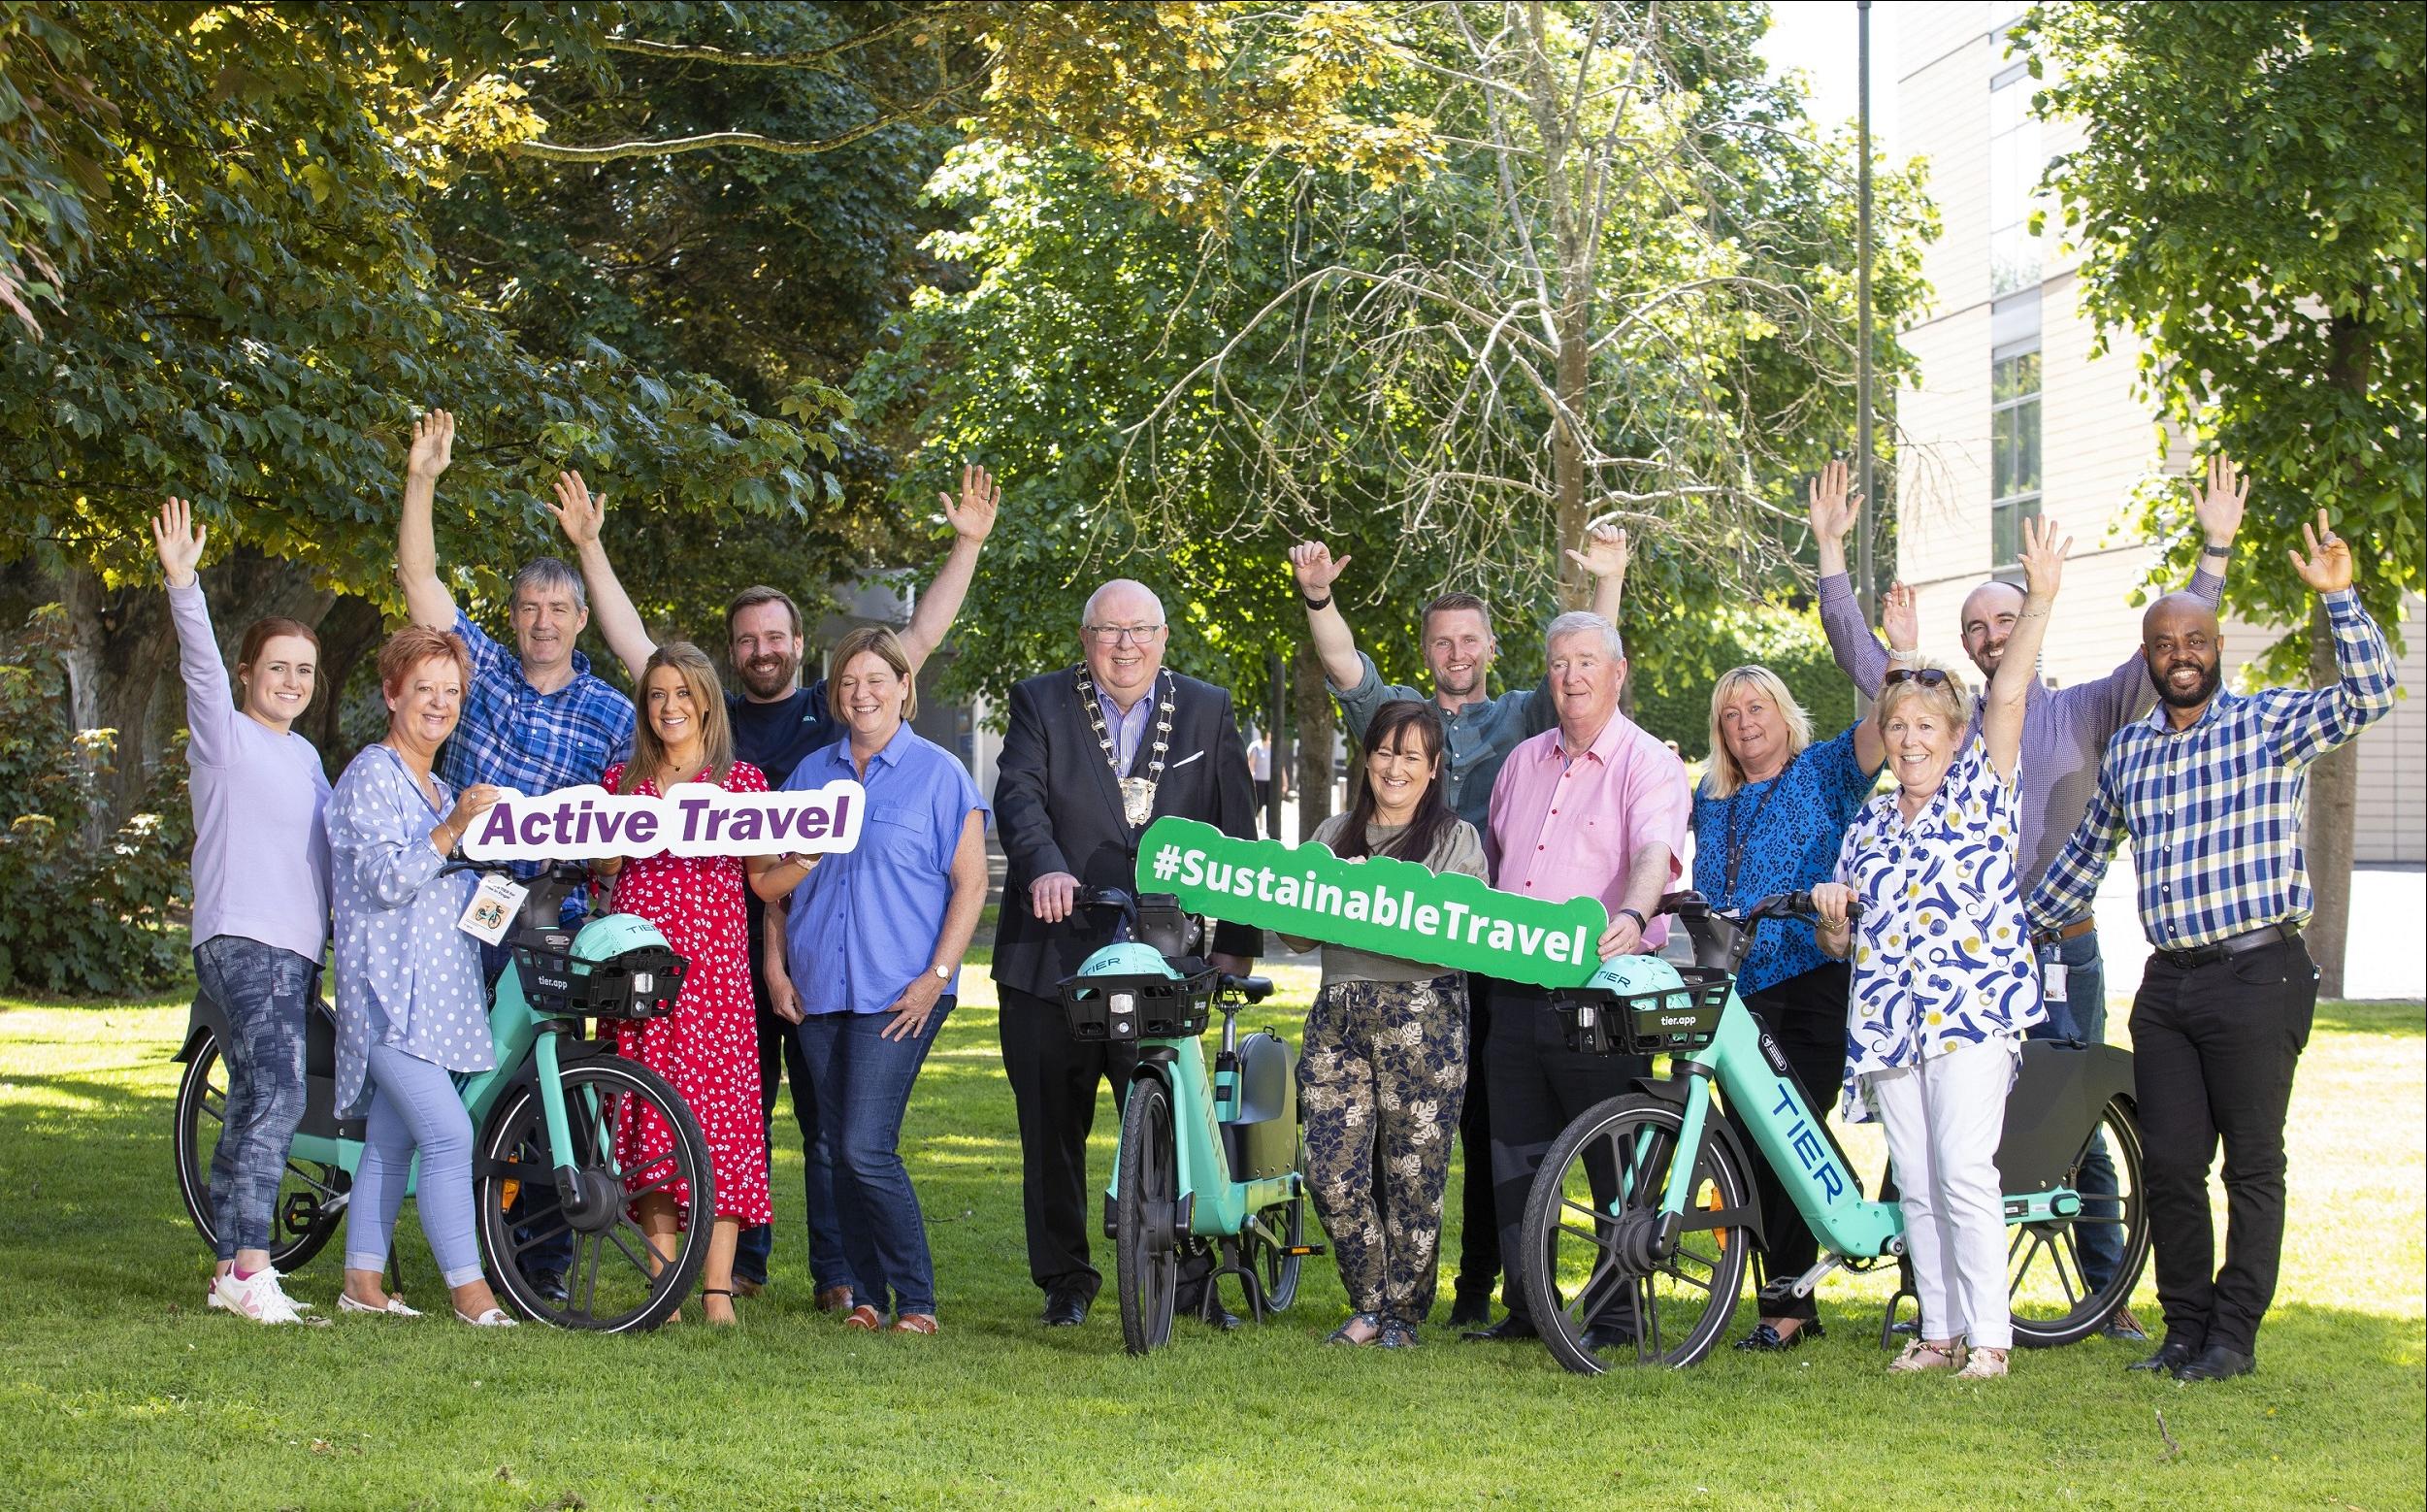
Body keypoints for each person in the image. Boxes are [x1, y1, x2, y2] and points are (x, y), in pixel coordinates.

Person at [550, 464, 999, 1308]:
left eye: (776, 637)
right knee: (706, 1116)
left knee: (825, 1134)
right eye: (747, 639)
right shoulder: (666, 739)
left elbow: (915, 646)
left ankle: (837, 1279)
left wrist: (966, 546)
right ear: (729, 657)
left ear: (798, 646)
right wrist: (589, 547)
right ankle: (733, 1273)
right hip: (735, 964)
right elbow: (636, 648)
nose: (763, 650)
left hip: (770, 956)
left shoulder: (827, 720)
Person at [1813, 457, 2246, 1322]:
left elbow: (2173, 639)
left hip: (2059, 950)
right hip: (1934, 970)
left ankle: (2104, 1290)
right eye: (1974, 627)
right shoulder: (1948, 731)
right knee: (1933, 1145)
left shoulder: (2086, 708)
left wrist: (2216, 549)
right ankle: (1930, 1304)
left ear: (2029, 624)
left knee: (2075, 1128)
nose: (1988, 635)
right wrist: (1830, 555)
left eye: (2005, 617)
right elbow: (1875, 670)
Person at [2028, 511, 2394, 1384]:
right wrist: (1999, 931)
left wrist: (2340, 599)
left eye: (2194, 638)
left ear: (2215, 645)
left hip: (2256, 973)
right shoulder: (2128, 755)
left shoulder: (2268, 725)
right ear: (2147, 655)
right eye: (2164, 643)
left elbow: (2370, 694)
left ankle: (2233, 1336)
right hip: (2167, 989)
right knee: (2171, 1165)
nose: (2180, 653)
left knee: (2253, 1162)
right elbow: (2076, 865)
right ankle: (2183, 1329)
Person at [1288, 527, 1629, 1326]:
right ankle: (1406, 1297)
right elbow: (1343, 665)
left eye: (1469, 639)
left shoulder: (1522, 715)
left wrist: (1606, 581)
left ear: (1489, 647)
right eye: (1441, 641)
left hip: (1486, 952)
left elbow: (1589, 673)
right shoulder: (1395, 720)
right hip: (1376, 962)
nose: (1456, 652)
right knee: (1382, 1147)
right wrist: (1317, 596)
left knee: (1475, 1135)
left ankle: (1483, 1288)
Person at [1811, 514, 2073, 1381]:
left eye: (1927, 728)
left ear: (1951, 738)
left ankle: (1991, 1341)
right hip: (1891, 1021)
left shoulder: (1981, 795)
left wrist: (2036, 600)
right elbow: (1840, 941)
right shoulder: (1869, 823)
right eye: (1898, 729)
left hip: (1973, 1013)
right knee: (1916, 1181)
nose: (1911, 740)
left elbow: (2007, 695)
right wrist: (1834, 920)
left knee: (1964, 1168)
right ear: (1883, 739)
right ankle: (1939, 1329)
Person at [398, 410, 638, 1301]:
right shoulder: (482, 669)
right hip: (461, 906)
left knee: (547, 1090)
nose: (542, 621)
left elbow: (627, 822)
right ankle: (422, 1231)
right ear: (513, 617)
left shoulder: (612, 712)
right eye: (529, 607)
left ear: (581, 618)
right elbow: (419, 575)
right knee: (447, 1073)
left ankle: (537, 1264)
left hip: (552, 920)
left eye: (558, 607)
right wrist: (423, 478)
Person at [992, 578, 1261, 1329]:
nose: (1124, 645)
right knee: (1051, 1132)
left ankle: (1188, 1280)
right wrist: (1043, 863)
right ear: (1085, 639)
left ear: (1163, 637)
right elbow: (1019, 796)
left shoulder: (1206, 707)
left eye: (1140, 630)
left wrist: (1235, 947)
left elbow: (1235, 832)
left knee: (1174, 1120)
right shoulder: (1039, 702)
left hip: (1164, 960)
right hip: (1051, 956)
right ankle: (1065, 1281)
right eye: (1108, 631)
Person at [1468, 611, 1689, 1350]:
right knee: (1515, 1155)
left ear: (1617, 672)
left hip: (1604, 989)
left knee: (1610, 1158)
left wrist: (1633, 910)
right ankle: (1528, 1305)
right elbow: (1500, 859)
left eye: (1587, 662)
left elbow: (1655, 849)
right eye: (1559, 663)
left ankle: (1617, 1313)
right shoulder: (1520, 762)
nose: (1571, 677)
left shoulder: (1648, 762)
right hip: (1514, 985)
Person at [770, 627, 989, 1334]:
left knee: (866, 1145)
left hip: (899, 992)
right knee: (831, 1148)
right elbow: (769, 888)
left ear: (903, 687)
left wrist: (938, 976)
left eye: (874, 681)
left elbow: (970, 884)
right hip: (817, 989)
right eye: (847, 684)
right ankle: (864, 1296)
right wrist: (776, 970)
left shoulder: (941, 774)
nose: (860, 694)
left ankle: (916, 1300)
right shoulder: (808, 776)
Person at [153, 499, 333, 1326]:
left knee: (268, 1093)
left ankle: (234, 1265)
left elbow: (336, 855)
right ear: (250, 670)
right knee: (278, 1092)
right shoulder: (224, 734)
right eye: (277, 667)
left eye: (304, 671)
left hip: (294, 951)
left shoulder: (305, 757)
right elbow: (198, 665)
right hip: (241, 937)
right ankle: (249, 1264)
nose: (290, 682)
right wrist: (183, 583)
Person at [592, 642, 788, 1326]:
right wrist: (605, 828)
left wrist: (811, 857)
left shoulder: (743, 785)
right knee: (649, 1124)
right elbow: (608, 866)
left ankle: (717, 1292)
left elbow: (763, 880)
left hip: (715, 981)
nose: (669, 706)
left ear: (706, 698)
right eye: (656, 695)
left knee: (720, 1128)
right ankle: (663, 1286)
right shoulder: (623, 779)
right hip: (641, 974)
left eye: (682, 692)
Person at [1280, 701, 1488, 1347]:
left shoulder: (1456, 840)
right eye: (1384, 753)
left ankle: (1402, 1315)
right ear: (1367, 758)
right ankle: (1368, 1302)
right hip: (1337, 1018)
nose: (1394, 769)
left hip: (1423, 1019)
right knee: (1329, 1170)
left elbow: (1465, 941)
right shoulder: (1331, 834)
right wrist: (1318, 897)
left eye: (1411, 757)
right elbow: (1291, 936)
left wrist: (1374, 905)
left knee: (1412, 1177)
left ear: (1432, 771)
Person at [1691, 661, 1885, 1352]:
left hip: (1808, 979)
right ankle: (1785, 1300)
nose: (1743, 722)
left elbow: (1881, 724)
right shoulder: (1710, 798)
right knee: (1748, 1144)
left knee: (1791, 1135)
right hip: (1738, 991)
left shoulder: (1825, 769)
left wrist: (1898, 655)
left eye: (1755, 708)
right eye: (1730, 713)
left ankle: (1787, 1306)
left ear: (1782, 713)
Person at [325, 627, 514, 1326]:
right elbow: (382, 880)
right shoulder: (373, 774)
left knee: (393, 1140)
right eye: (424, 688)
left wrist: (504, 899)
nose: (439, 703)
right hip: (386, 996)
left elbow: (448, 894)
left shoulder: (436, 784)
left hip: (435, 999)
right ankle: (471, 1293)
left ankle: (362, 1286)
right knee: (448, 1136)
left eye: (451, 691)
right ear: (392, 693)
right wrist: (453, 827)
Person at [1248, 729, 1274, 832]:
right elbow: (1251, 765)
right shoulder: (1256, 746)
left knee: (1270, 805)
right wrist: (1252, 778)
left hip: (1270, 781)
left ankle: (1269, 829)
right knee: (1258, 804)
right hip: (1258, 781)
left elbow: (1281, 767)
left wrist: (1284, 782)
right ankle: (1250, 825)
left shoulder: (1273, 746)